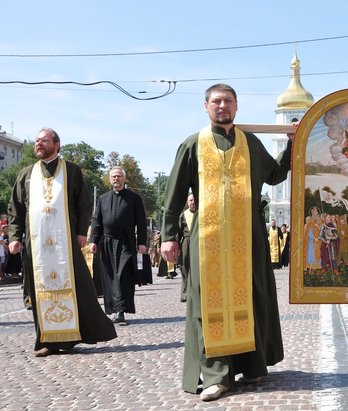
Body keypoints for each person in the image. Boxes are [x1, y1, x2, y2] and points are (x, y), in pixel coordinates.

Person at [160, 83, 291, 401]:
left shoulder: (251, 143)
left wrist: (292, 145)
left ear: (237, 106)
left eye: (228, 101)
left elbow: (275, 175)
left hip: (248, 241)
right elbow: (175, 193)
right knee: (209, 305)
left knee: (251, 299)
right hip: (207, 244)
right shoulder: (193, 144)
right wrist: (167, 236)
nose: (222, 106)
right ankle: (218, 375)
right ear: (205, 106)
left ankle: (252, 365)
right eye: (216, 101)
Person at [8, 128, 116, 357]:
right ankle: (47, 339)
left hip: (65, 243)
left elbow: (84, 204)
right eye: (37, 140)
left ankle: (72, 338)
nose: (38, 143)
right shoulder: (26, 174)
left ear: (57, 144)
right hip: (36, 247)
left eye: (44, 140)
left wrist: (81, 232)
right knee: (40, 292)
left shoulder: (71, 171)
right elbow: (16, 208)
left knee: (78, 288)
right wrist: (15, 237)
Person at [89, 166, 148, 326]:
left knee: (122, 275)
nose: (116, 179)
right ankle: (113, 309)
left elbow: (142, 222)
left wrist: (142, 242)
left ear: (124, 179)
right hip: (106, 242)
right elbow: (96, 221)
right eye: (113, 176)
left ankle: (121, 310)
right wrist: (93, 241)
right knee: (109, 276)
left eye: (119, 176)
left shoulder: (134, 198)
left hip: (126, 242)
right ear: (110, 179)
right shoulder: (103, 199)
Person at [178, 193, 195, 303]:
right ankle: (185, 293)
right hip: (187, 243)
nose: (193, 202)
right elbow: (178, 232)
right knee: (185, 267)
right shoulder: (183, 215)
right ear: (187, 202)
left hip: (199, 242)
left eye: (194, 200)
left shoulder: (201, 213)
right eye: (191, 200)